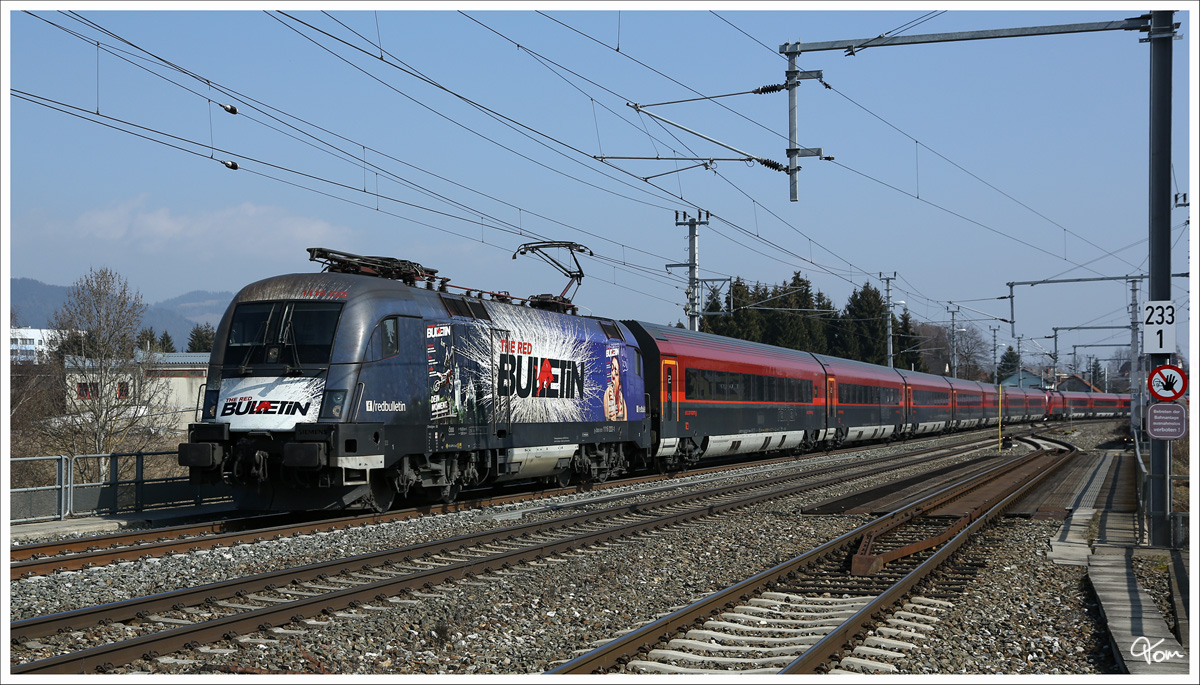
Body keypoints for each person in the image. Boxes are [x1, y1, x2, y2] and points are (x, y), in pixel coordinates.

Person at [603, 355, 627, 421]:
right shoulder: (608, 394)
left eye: (616, 373)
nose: (612, 375)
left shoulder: (622, 400)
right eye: (612, 370)